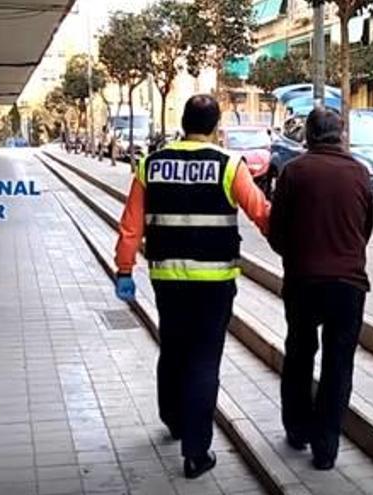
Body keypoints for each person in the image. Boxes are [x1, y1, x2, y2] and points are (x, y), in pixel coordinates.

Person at [114, 95, 270, 479]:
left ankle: (173, 419)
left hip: (167, 278)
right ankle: (196, 452)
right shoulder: (229, 165)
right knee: (203, 360)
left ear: (183, 122)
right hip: (214, 283)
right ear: (216, 126)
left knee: (173, 349)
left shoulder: (151, 165)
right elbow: (261, 213)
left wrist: (124, 269)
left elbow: (131, 224)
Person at [269, 108, 373, 470]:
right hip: (349, 284)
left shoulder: (294, 172)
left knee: (299, 352)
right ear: (340, 135)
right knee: (338, 363)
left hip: (303, 281)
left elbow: (276, 232)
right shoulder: (360, 173)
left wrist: (298, 256)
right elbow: (365, 228)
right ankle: (326, 448)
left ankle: (297, 429)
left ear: (308, 136)